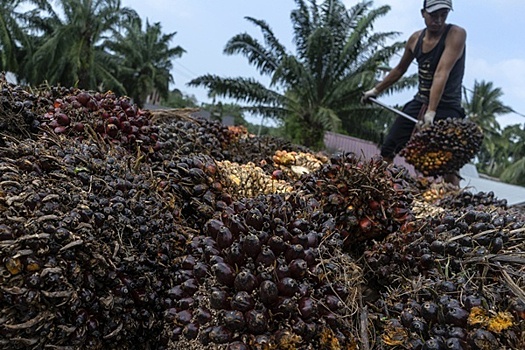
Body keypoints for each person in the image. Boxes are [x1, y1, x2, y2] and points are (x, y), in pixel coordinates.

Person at [361, 0, 466, 186]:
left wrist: (431, 112)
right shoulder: (415, 39)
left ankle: (452, 201)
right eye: (434, 15)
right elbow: (400, 69)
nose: (439, 20)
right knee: (388, 147)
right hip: (421, 101)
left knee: (450, 162)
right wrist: (376, 90)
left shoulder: (456, 34)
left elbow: (442, 73)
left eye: (444, 15)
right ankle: (378, 187)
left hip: (448, 106)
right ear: (423, 13)